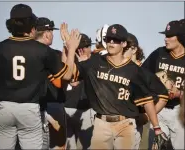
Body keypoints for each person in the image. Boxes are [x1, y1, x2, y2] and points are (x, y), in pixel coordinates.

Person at [0, 4, 80, 149]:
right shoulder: (42, 50)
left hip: (4, 108)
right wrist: (71, 49)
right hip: (29, 108)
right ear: (32, 27)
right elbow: (66, 76)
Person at [63, 24, 169, 149]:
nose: (111, 42)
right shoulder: (95, 62)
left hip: (125, 125)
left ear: (124, 44)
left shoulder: (134, 71)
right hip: (101, 123)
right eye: (109, 39)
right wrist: (69, 50)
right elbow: (67, 76)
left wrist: (156, 127)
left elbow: (147, 100)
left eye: (116, 40)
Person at [142, 20, 185, 150]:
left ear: (181, 37)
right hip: (159, 110)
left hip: (180, 111)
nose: (166, 39)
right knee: (156, 147)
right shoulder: (159, 53)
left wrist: (179, 93)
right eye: (165, 35)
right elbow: (142, 75)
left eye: (170, 36)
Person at [34, 17, 67, 149]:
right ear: (46, 33)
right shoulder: (52, 54)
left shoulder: (26, 52)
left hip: (29, 107)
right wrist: (66, 43)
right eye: (51, 31)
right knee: (57, 146)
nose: (53, 34)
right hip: (52, 104)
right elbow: (63, 79)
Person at [64, 33, 96, 149]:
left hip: (81, 109)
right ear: (83, 48)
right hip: (77, 110)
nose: (90, 50)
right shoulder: (71, 60)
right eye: (88, 47)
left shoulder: (70, 59)